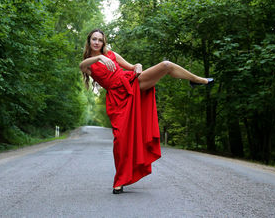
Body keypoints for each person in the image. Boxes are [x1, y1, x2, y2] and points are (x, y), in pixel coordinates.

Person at [79, 29, 213, 194]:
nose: (97, 42)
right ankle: (120, 180)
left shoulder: (113, 55)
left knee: (166, 65)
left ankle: (198, 80)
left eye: (100, 40)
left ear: (103, 42)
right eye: (94, 39)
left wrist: (139, 66)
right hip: (117, 99)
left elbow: (131, 66)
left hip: (131, 83)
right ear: (89, 41)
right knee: (120, 141)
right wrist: (100, 57)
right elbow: (82, 66)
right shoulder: (89, 63)